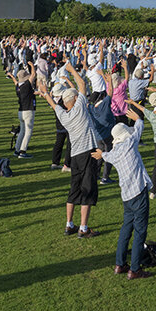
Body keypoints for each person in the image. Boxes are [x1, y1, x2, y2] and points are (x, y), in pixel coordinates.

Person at [38, 62, 100, 236]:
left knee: (74, 190)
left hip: (75, 156)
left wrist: (45, 93)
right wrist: (72, 70)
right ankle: (83, 228)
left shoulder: (63, 114)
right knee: (87, 190)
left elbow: (53, 104)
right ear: (74, 99)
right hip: (88, 153)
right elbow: (82, 85)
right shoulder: (80, 107)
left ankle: (69, 224)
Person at [92, 110, 153, 279]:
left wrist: (101, 154)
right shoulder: (130, 143)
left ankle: (120, 264)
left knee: (126, 228)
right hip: (138, 193)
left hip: (126, 195)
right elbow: (139, 129)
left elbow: (106, 155)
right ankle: (135, 269)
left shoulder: (113, 153)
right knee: (140, 231)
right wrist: (138, 119)